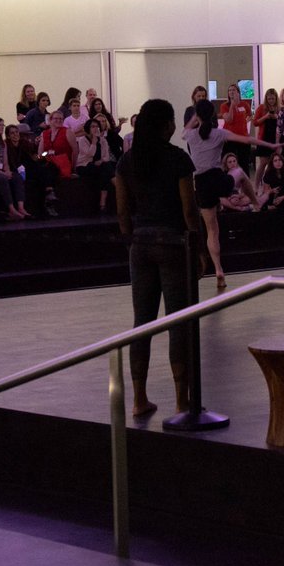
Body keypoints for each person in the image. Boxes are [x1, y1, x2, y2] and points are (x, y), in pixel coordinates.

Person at [113, 98, 202, 417]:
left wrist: (131, 242)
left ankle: (139, 399)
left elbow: (122, 211)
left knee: (142, 322)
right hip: (173, 244)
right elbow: (189, 210)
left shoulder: (127, 161)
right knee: (179, 321)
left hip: (140, 244)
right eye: (173, 120)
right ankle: (181, 400)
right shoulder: (178, 159)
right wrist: (199, 248)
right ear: (165, 125)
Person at [182, 100, 280, 288]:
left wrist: (195, 117)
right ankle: (256, 202)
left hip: (201, 184)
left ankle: (219, 269)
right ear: (213, 116)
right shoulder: (219, 133)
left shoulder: (190, 135)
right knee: (240, 173)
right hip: (217, 179)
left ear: (197, 117)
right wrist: (270, 145)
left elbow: (184, 130)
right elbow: (247, 140)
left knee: (212, 230)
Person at [75, 117, 117, 213]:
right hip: (84, 165)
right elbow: (90, 154)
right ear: (88, 128)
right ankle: (116, 186)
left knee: (105, 168)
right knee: (105, 170)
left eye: (97, 126)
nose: (95, 128)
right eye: (92, 126)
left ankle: (103, 202)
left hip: (100, 165)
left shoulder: (103, 140)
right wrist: (94, 142)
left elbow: (106, 156)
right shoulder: (82, 140)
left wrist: (101, 161)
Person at [219, 84, 253, 178]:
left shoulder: (244, 104)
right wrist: (232, 105)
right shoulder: (224, 106)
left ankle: (245, 184)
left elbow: (250, 115)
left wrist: (246, 121)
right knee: (229, 163)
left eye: (233, 90)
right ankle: (229, 183)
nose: (231, 92)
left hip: (243, 138)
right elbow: (229, 120)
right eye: (229, 90)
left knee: (244, 163)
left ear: (238, 92)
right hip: (230, 139)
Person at [252, 88, 282, 184]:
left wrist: (277, 118)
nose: (271, 101)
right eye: (269, 99)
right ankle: (256, 185)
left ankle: (270, 184)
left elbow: (282, 124)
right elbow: (255, 122)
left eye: (273, 99)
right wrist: (265, 117)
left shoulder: (279, 109)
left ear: (276, 99)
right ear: (266, 99)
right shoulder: (261, 108)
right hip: (264, 138)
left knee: (275, 163)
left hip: (275, 139)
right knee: (263, 163)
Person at [38, 110, 77, 178]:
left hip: (64, 164)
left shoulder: (68, 132)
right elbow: (40, 154)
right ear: (50, 120)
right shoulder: (44, 134)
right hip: (48, 164)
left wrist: (73, 168)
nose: (59, 120)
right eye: (56, 118)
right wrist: (46, 153)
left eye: (61, 119)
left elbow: (75, 151)